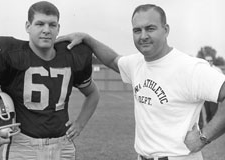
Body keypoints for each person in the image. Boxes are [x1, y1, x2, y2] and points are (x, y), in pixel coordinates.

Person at [57, 4, 225, 160]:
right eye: (137, 30)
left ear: (166, 30)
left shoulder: (190, 67)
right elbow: (112, 60)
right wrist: (87, 39)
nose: (143, 36)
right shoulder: (136, 63)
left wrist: (204, 137)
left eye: (150, 28)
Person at [0, 1, 100, 160]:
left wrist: (80, 123)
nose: (46, 30)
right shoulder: (11, 54)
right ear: (27, 26)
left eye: (52, 25)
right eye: (39, 24)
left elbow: (93, 93)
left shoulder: (71, 57)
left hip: (63, 146)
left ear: (58, 28)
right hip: (23, 147)